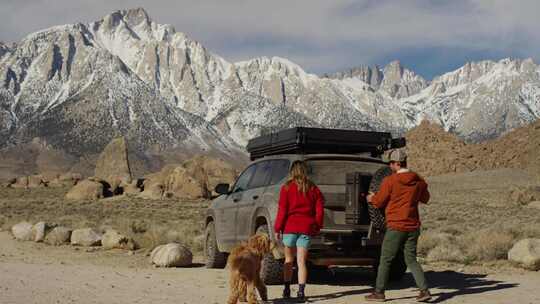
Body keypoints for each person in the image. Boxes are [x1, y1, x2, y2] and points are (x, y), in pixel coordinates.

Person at [366, 149, 431, 302]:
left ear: (397, 163)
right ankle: (424, 290)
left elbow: (379, 201)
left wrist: (371, 198)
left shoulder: (390, 181)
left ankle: (379, 292)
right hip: (413, 226)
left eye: (391, 163)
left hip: (396, 226)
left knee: (386, 259)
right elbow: (426, 198)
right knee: (411, 259)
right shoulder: (418, 181)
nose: (390, 166)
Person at [274, 160, 325, 302]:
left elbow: (282, 210)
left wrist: (278, 228)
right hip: (306, 228)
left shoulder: (286, 188)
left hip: (290, 228)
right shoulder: (313, 188)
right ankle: (301, 292)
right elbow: (319, 210)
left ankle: (286, 289)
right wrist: (317, 225)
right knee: (301, 261)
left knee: (289, 260)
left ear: (292, 171)